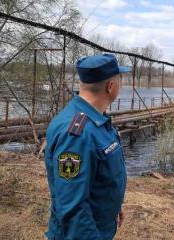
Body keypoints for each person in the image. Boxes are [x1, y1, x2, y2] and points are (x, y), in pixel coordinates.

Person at [44, 53, 130, 239]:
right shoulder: (77, 134)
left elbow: (97, 175)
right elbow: (72, 207)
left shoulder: (95, 120)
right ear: (111, 86)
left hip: (99, 224)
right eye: (120, 80)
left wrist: (113, 205)